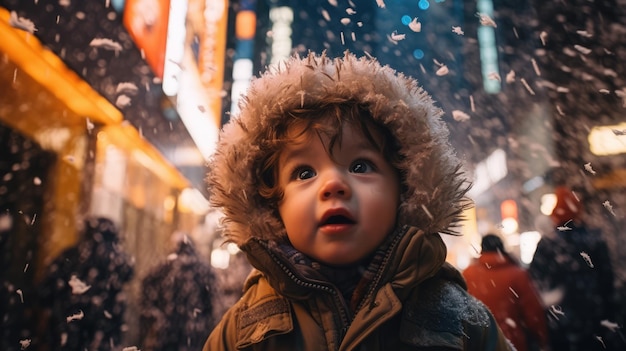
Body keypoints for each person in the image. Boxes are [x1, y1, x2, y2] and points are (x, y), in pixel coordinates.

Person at [202, 51, 513, 350]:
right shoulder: (245, 331)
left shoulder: (457, 320)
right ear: (273, 206)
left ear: (406, 192)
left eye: (360, 166)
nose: (333, 185)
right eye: (305, 172)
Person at [529, 185, 617, 350]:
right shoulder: (594, 238)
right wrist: (609, 315)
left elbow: (535, 282)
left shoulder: (548, 243)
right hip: (593, 319)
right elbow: (607, 280)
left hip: (560, 322)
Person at [38, 216, 134, 351]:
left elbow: (46, 290)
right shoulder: (117, 260)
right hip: (103, 333)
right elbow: (129, 272)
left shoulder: (71, 256)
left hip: (68, 329)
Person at [463, 234, 549, 351]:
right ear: (502, 249)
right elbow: (533, 313)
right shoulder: (517, 274)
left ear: (481, 250)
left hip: (479, 343)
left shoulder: (468, 274)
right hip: (512, 342)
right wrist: (542, 338)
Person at [139, 233, 218, 351]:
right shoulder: (204, 269)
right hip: (194, 331)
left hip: (167, 330)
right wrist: (205, 321)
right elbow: (212, 302)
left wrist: (155, 315)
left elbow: (147, 287)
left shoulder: (164, 267)